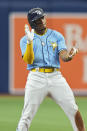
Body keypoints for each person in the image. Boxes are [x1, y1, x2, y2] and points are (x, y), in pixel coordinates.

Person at [16, 8, 85, 131]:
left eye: (42, 17)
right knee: (26, 116)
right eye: (38, 20)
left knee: (73, 108)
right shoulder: (25, 39)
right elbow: (29, 60)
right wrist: (30, 43)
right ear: (32, 23)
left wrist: (69, 56)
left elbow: (63, 56)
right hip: (36, 77)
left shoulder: (56, 35)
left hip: (55, 77)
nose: (42, 21)